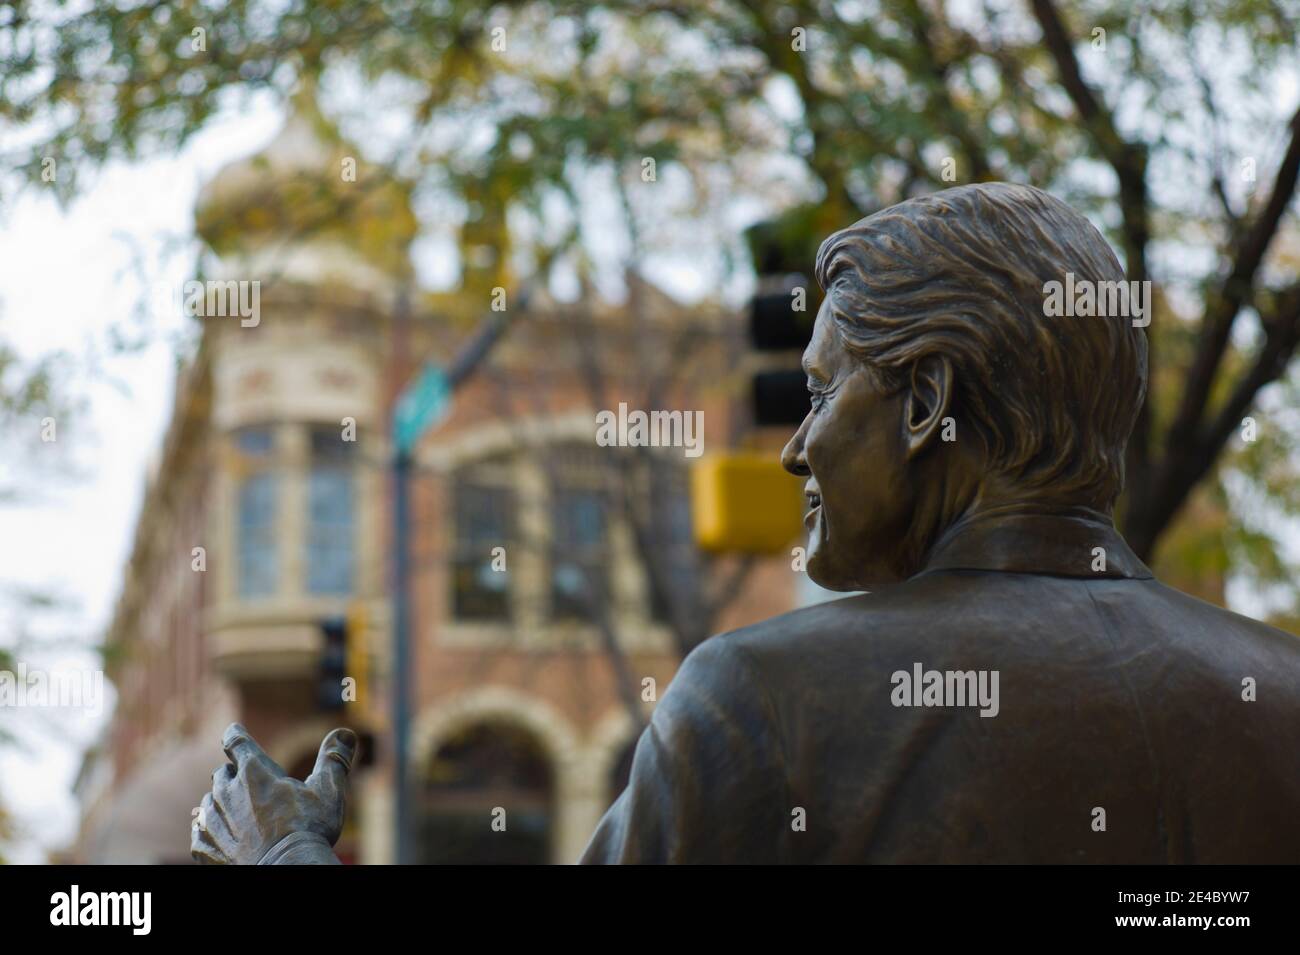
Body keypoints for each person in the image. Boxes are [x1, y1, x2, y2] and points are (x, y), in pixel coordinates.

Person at [193, 183, 1300, 865]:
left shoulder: (761, 704)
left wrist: (284, 851)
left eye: (825, 394)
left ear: (925, 405)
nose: (795, 444)